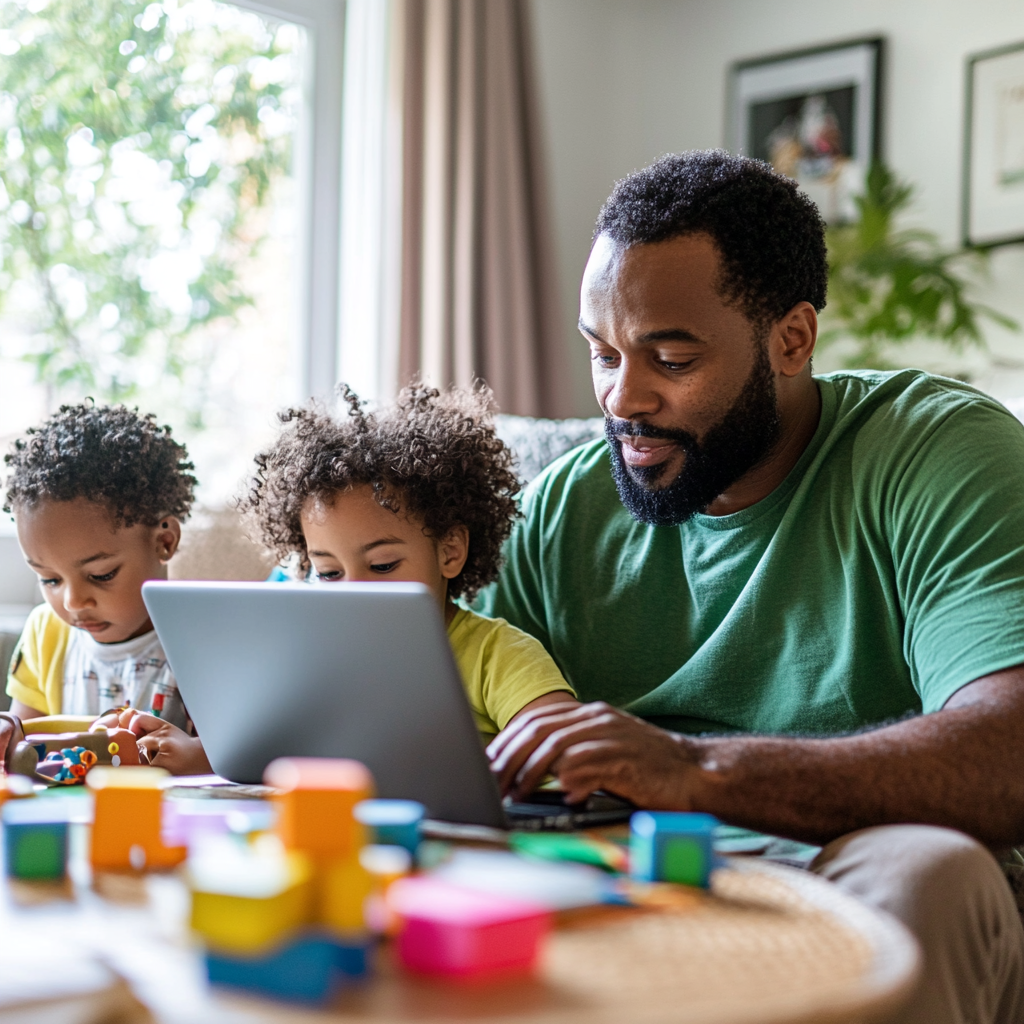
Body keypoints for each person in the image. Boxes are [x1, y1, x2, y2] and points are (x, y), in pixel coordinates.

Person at [479, 151, 1024, 1023]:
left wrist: (696, 770)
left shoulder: (936, 454)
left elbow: (1011, 755)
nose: (623, 399)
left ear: (792, 339)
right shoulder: (561, 509)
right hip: (613, 870)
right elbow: (445, 714)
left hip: (838, 861)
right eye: (602, 353)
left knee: (934, 871)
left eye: (670, 357)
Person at [239, 382, 579, 737]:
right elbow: (274, 745)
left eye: (382, 565)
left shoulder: (497, 655)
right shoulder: (321, 660)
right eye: (329, 572)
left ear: (450, 550)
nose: (353, 592)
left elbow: (566, 749)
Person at [1, 402, 211, 775]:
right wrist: (9, 734)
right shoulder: (45, 633)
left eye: (101, 575)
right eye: (49, 579)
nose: (72, 601)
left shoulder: (206, 634)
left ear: (163, 542)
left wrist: (199, 758)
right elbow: (23, 747)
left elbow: (250, 757)